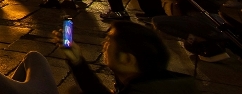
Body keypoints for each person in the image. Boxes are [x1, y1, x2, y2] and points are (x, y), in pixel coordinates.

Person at [59, 20, 196, 94]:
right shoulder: (163, 83)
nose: (103, 45)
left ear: (128, 59)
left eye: (108, 41)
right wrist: (78, 62)